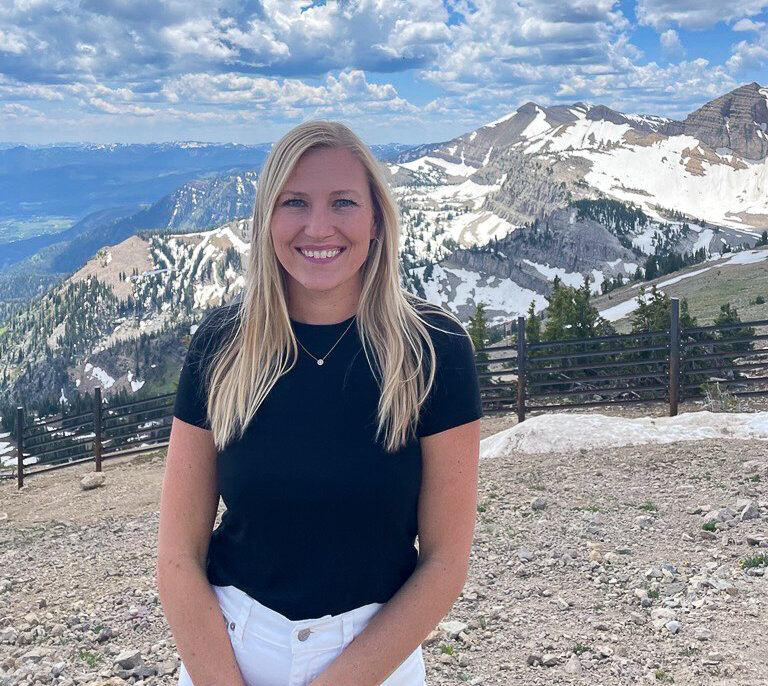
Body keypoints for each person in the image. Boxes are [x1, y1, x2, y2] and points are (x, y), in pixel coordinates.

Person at [156, 119, 483, 686]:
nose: (318, 225)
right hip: (230, 653)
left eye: (344, 202)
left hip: (374, 660)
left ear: (377, 219)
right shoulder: (222, 345)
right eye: (295, 202)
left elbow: (445, 562)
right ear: (266, 220)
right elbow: (178, 557)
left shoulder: (433, 351)